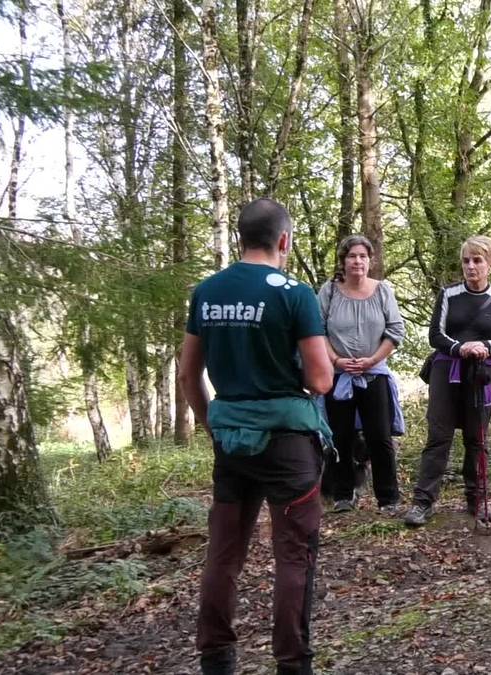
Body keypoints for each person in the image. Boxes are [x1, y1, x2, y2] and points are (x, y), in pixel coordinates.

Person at [179, 198, 333, 675]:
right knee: (293, 554)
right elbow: (321, 379)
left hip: (232, 444)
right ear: (284, 240)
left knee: (224, 552)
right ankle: (292, 663)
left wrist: (212, 426)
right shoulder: (294, 293)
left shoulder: (207, 292)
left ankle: (216, 659)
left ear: (240, 237)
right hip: (288, 446)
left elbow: (188, 374)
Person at [404, 235, 491, 527]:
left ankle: (477, 500)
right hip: (447, 371)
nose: (471, 266)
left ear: (490, 263)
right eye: (466, 260)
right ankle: (423, 502)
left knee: (476, 438)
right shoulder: (448, 294)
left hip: (483, 374)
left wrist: (486, 347)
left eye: (477, 260)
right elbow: (436, 336)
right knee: (438, 436)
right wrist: (460, 348)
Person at [319, 235, 406, 513]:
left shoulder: (383, 291)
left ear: (370, 261)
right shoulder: (329, 291)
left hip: (374, 374)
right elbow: (316, 330)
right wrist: (336, 360)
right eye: (352, 256)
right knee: (340, 436)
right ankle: (343, 494)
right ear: (343, 261)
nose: (357, 261)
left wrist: (372, 360)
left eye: (363, 256)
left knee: (379, 436)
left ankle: (388, 498)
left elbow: (395, 331)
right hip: (338, 375)